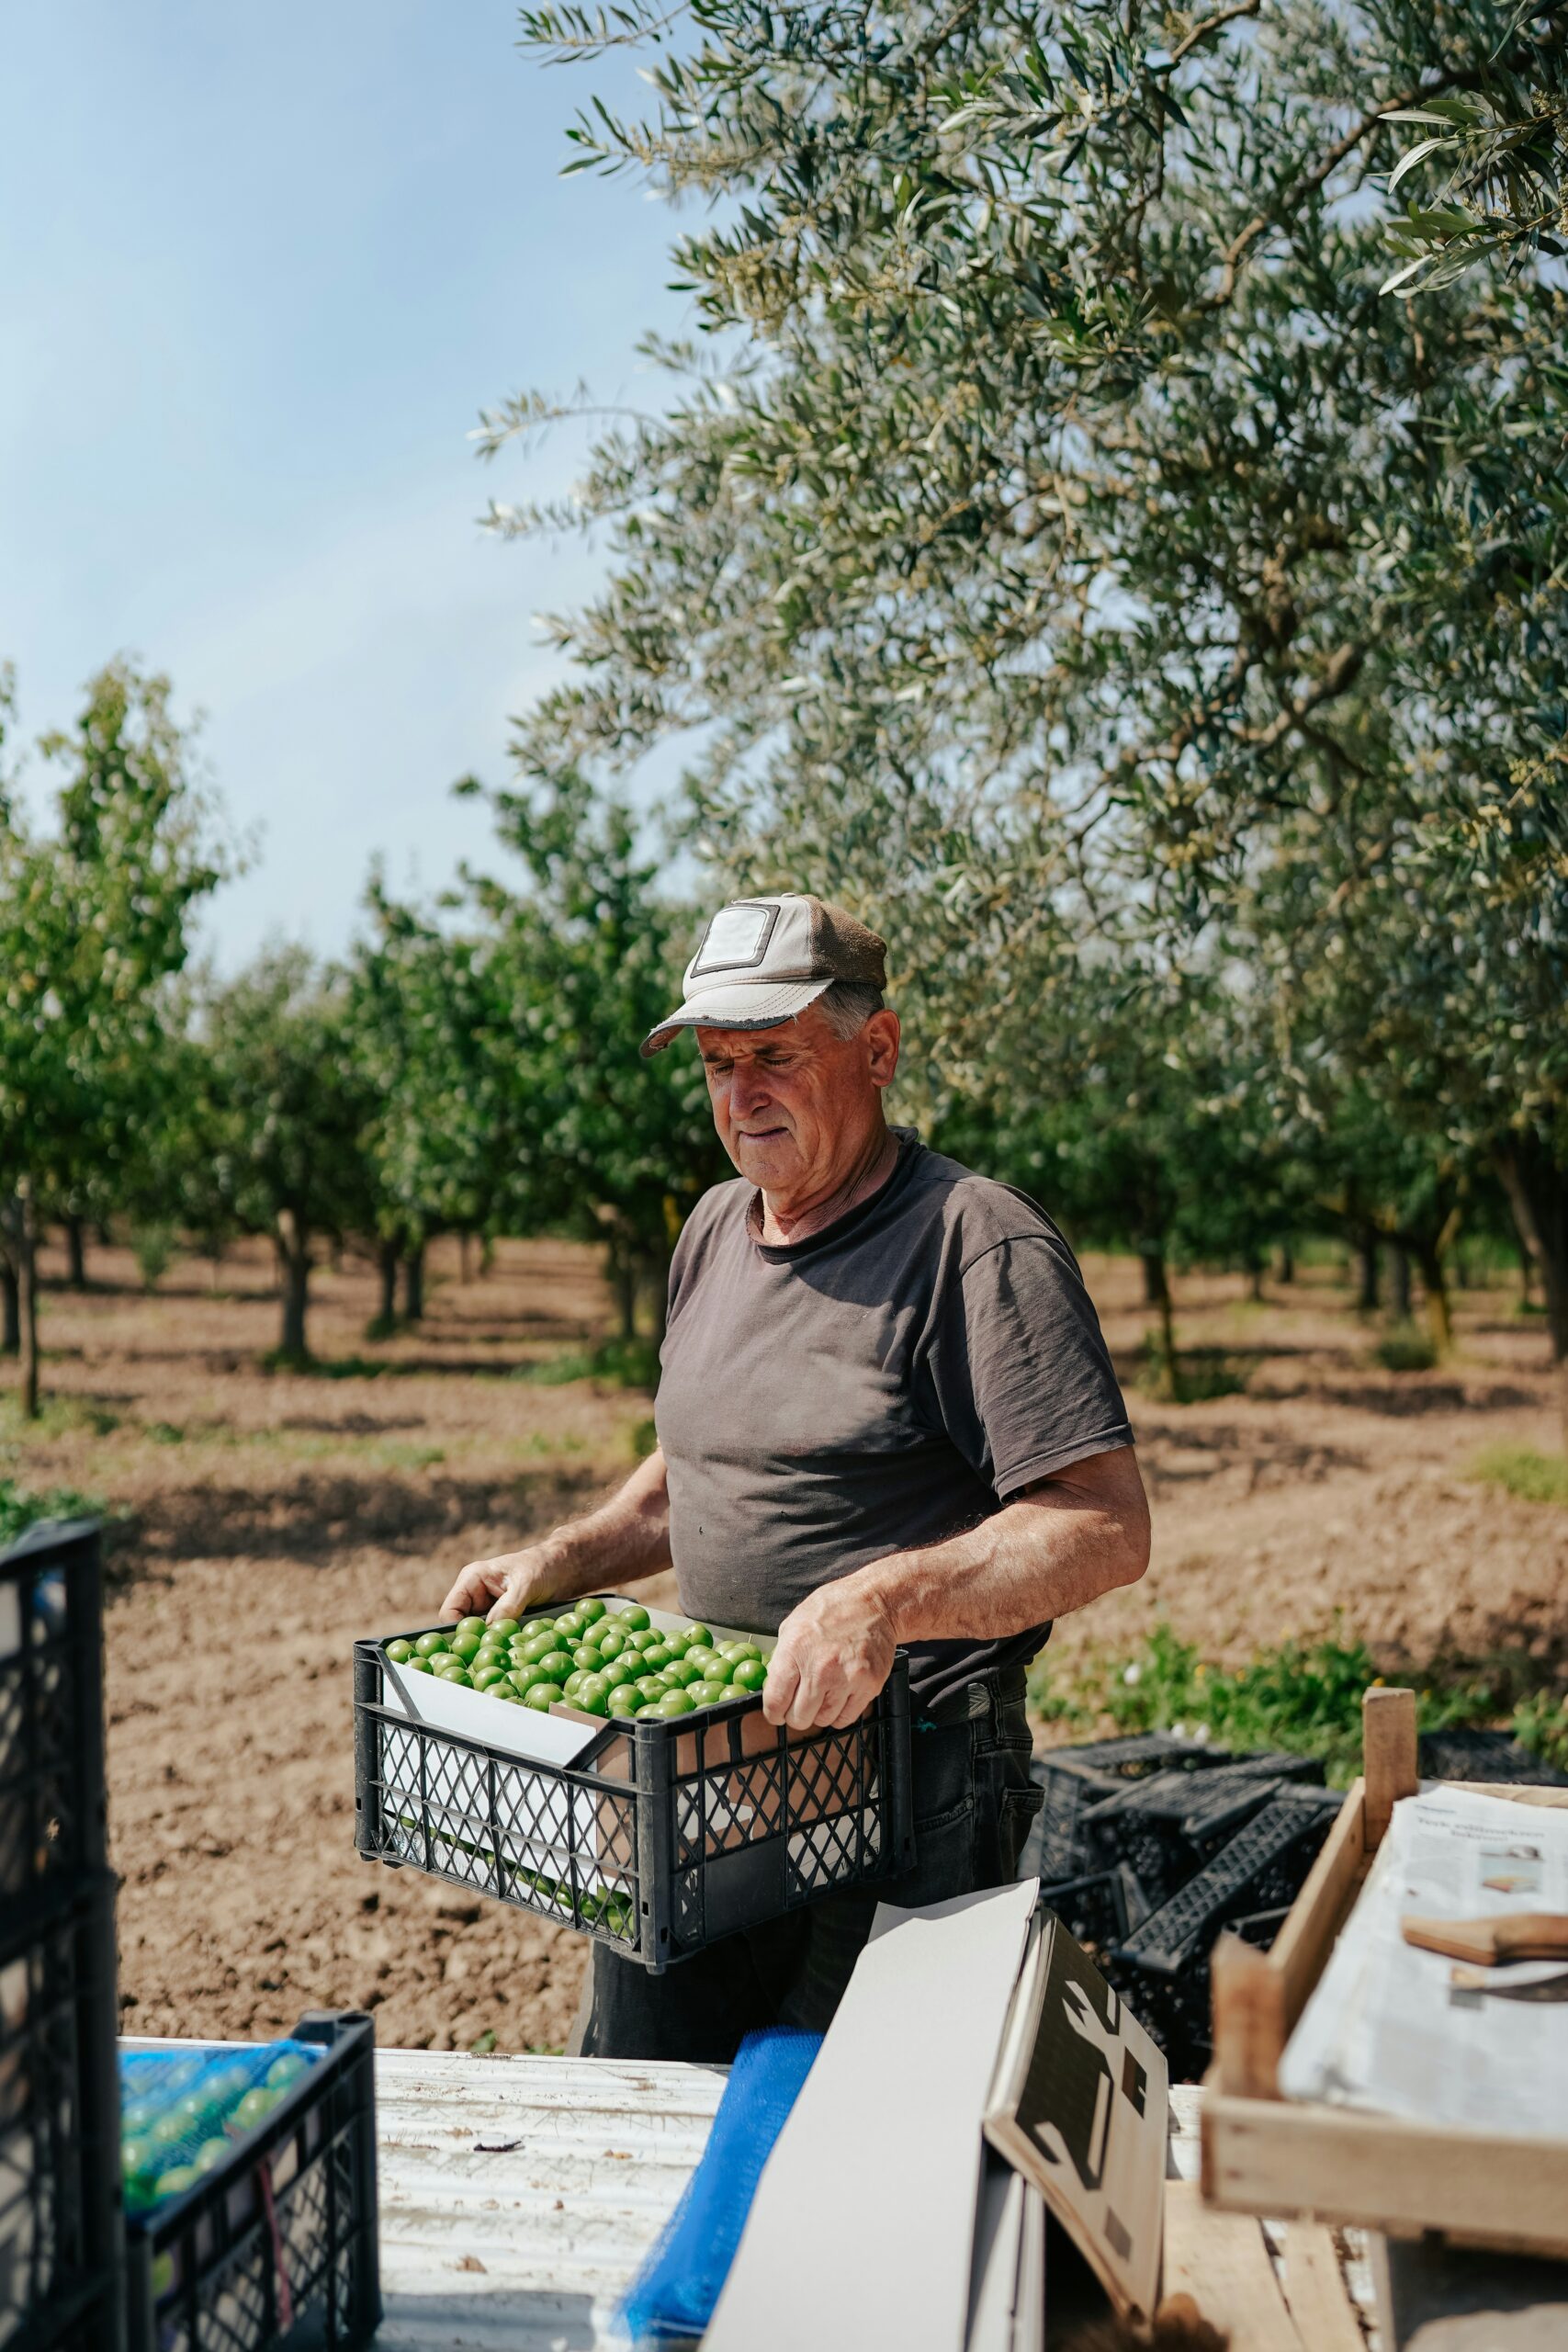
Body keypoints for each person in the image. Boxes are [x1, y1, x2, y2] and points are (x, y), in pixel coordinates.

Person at [441, 892, 1149, 2059]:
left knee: (850, 2143)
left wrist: (882, 1602)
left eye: (774, 1054)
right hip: (700, 1779)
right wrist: (561, 1555)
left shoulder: (974, 1241)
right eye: (719, 1065)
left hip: (905, 1790)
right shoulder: (716, 1229)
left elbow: (1102, 1524)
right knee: (651, 2098)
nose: (740, 1095)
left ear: (878, 1049)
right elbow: (692, 1476)